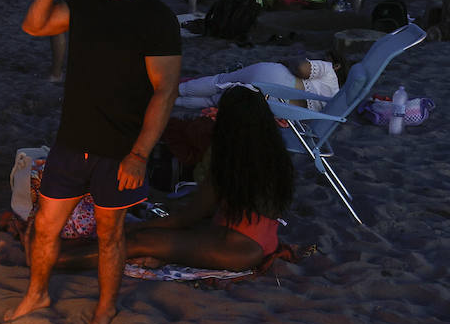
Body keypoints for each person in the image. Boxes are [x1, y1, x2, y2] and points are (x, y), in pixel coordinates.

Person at [7, 0, 181, 324]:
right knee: (45, 225)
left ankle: (105, 309)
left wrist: (139, 154)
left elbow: (165, 92)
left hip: (120, 148)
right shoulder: (86, 2)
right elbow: (33, 26)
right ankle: (37, 294)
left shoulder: (156, 18)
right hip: (73, 139)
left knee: (110, 233)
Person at [56, 85, 293, 274]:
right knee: (147, 237)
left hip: (238, 248)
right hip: (258, 240)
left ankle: (54, 260)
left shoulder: (232, 164)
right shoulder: (274, 157)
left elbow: (185, 218)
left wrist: (131, 227)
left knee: (136, 240)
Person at [177, 54, 342, 111]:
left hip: (273, 78)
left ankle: (177, 90)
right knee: (213, 102)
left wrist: (288, 60)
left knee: (220, 81)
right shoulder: (335, 100)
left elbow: (301, 68)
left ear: (337, 66)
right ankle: (174, 102)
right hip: (275, 106)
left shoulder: (329, 72)